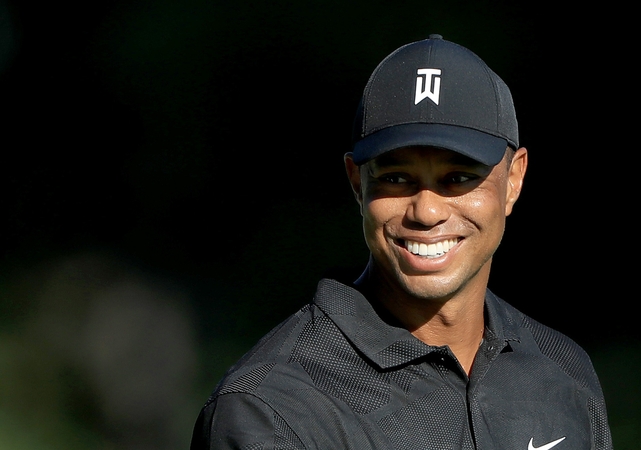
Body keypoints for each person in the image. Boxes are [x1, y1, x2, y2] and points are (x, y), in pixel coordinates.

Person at [191, 34, 613, 450]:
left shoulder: (563, 371)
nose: (426, 212)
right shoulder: (271, 411)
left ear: (514, 180)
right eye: (395, 178)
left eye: (458, 177)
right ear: (358, 183)